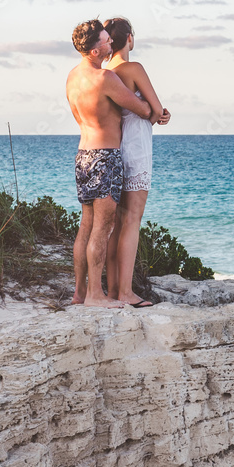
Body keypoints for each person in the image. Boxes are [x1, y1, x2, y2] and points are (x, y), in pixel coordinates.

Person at [66, 19, 152, 307]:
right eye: (105, 41)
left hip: (83, 156)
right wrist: (151, 108)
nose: (109, 44)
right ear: (94, 51)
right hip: (105, 157)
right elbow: (142, 109)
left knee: (86, 226)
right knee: (102, 229)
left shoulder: (72, 77)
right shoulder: (104, 79)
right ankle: (95, 295)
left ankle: (79, 293)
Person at [102, 18, 171, 308]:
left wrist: (155, 113)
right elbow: (154, 110)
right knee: (132, 220)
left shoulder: (107, 72)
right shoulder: (133, 69)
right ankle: (126, 293)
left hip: (116, 147)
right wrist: (160, 114)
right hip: (137, 147)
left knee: (117, 223)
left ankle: (115, 289)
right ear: (129, 38)